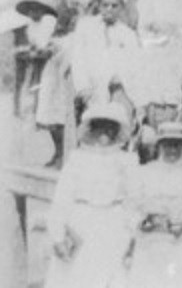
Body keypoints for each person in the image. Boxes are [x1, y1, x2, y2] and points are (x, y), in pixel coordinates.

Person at [44, 101, 136, 288]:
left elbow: (134, 200)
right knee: (77, 276)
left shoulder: (127, 161)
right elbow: (62, 199)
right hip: (81, 224)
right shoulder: (77, 159)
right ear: (91, 128)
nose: (104, 132)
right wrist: (58, 235)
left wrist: (132, 230)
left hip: (113, 225)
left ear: (117, 130)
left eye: (110, 127)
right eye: (99, 126)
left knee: (112, 275)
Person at [36, 0, 106, 168]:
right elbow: (60, 26)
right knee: (53, 90)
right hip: (70, 49)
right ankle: (60, 152)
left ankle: (89, 154)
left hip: (95, 49)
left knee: (90, 101)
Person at [126, 121, 182, 288]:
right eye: (168, 145)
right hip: (151, 240)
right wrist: (143, 221)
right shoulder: (144, 173)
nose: (172, 150)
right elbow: (132, 206)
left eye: (177, 145)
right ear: (159, 144)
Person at [70, 0, 141, 121]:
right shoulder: (86, 27)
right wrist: (83, 87)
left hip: (119, 90)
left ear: (121, 8)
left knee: (118, 124)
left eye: (114, 6)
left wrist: (122, 83)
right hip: (91, 90)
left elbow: (135, 65)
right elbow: (78, 60)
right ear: (99, 6)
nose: (109, 9)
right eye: (105, 5)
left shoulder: (128, 34)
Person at [11, 0, 57, 118]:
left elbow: (52, 43)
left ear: (42, 11)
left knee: (41, 82)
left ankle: (39, 109)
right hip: (28, 56)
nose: (34, 13)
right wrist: (30, 50)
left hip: (46, 57)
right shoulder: (26, 27)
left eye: (37, 10)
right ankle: (18, 109)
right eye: (31, 11)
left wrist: (44, 49)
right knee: (21, 80)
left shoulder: (49, 24)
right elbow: (25, 45)